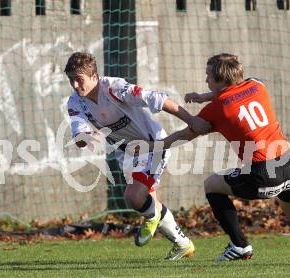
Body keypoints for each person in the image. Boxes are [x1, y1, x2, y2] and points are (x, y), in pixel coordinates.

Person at [152, 53, 290, 261]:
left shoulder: (218, 108)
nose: (206, 80)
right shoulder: (258, 86)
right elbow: (235, 91)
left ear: (221, 79)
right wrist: (206, 96)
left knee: (211, 184)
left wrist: (156, 147)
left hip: (263, 172)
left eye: (209, 77)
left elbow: (186, 134)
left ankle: (240, 245)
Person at [64, 51, 211, 260]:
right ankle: (182, 244)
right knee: (146, 199)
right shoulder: (75, 102)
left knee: (134, 197)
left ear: (94, 77)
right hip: (127, 154)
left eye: (79, 80)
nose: (75, 86)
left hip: (152, 146)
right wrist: (83, 138)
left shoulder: (114, 88)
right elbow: (78, 132)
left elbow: (156, 98)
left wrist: (191, 120)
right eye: (71, 81)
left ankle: (153, 217)